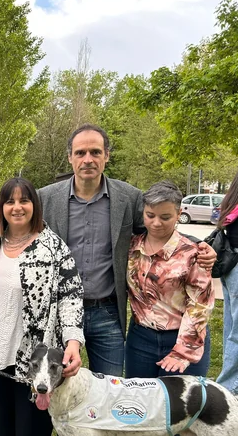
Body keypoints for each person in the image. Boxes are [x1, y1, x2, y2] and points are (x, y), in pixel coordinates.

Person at [38, 123, 216, 376]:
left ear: (106, 155)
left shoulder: (128, 197)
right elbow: (21, 233)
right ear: (70, 157)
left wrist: (198, 246)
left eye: (95, 152)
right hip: (59, 310)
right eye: (80, 153)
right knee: (54, 382)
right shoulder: (45, 198)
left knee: (111, 387)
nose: (88, 159)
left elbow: (158, 226)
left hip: (107, 312)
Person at [0, 177, 83, 436]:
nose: (17, 207)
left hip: (35, 359)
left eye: (24, 201)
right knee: (0, 428)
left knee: (30, 430)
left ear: (35, 206)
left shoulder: (53, 247)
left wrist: (73, 342)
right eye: (10, 201)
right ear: (2, 207)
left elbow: (72, 297)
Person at [125, 181, 214, 377]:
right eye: (150, 215)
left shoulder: (193, 253)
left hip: (183, 338)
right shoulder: (131, 247)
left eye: (165, 217)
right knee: (139, 396)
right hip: (140, 340)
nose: (156, 223)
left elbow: (200, 305)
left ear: (179, 213)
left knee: (178, 397)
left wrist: (183, 351)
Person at [215, 171, 238, 395]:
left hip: (231, 265)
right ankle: (229, 387)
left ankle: (227, 386)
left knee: (232, 329)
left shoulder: (233, 199)